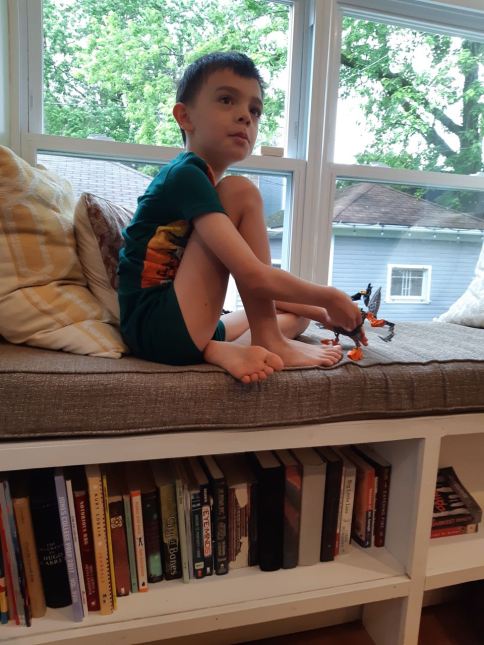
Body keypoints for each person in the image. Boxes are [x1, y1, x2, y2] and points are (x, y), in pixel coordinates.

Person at [118, 51, 363, 384]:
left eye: (255, 110)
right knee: (241, 190)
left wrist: (324, 314)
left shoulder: (203, 185)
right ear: (185, 117)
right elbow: (253, 276)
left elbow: (263, 290)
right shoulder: (185, 175)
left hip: (178, 322)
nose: (245, 116)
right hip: (158, 329)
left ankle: (219, 348)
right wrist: (332, 296)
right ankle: (260, 340)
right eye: (226, 100)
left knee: (297, 318)